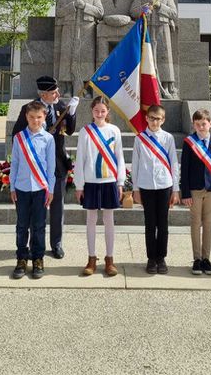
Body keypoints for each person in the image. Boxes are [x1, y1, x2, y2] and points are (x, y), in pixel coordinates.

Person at [12, 75, 78, 259]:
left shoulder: (61, 106)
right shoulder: (29, 109)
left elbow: (70, 130)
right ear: (43, 94)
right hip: (35, 169)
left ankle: (56, 243)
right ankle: (35, 245)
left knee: (58, 206)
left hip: (57, 165)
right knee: (35, 211)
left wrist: (72, 113)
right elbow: (16, 135)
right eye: (53, 92)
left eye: (56, 91)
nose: (57, 94)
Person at [74, 96, 126, 277]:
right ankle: (91, 258)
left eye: (103, 111)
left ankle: (109, 259)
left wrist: (120, 182)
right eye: (96, 111)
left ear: (108, 112)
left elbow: (120, 157)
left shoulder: (114, 130)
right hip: (91, 182)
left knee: (109, 221)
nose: (100, 114)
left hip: (109, 181)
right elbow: (80, 158)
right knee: (90, 221)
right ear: (91, 111)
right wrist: (79, 184)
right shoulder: (85, 131)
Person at [10, 101, 56, 280]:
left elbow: (51, 167)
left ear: (44, 117)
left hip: (40, 189)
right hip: (21, 188)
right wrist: (12, 186)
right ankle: (22, 258)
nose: (35, 120)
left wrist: (50, 190)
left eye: (39, 117)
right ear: (26, 117)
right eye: (31, 117)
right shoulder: (19, 138)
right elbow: (14, 164)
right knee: (22, 225)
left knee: (38, 226)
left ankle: (38, 258)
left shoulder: (48, 139)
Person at [131, 104, 180, 274]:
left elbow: (174, 163)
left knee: (163, 224)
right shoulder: (140, 138)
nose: (154, 121)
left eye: (158, 118)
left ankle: (162, 257)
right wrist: (135, 189)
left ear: (163, 120)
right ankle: (151, 258)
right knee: (150, 224)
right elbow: (135, 164)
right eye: (151, 118)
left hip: (164, 185)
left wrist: (175, 189)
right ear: (146, 118)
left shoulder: (168, 138)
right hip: (145, 186)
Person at [180, 108, 211, 276]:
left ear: (210, 124)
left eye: (204, 124)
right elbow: (185, 168)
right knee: (195, 223)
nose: (201, 127)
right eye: (197, 124)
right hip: (195, 189)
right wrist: (185, 193)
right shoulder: (189, 142)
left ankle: (206, 258)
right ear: (194, 125)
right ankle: (197, 258)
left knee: (208, 224)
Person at [130, 0, 178, 98]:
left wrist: (161, 6)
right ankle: (147, 86)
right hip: (147, 28)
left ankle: (166, 86)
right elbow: (133, 11)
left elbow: (174, 13)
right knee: (147, 56)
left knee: (164, 56)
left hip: (163, 28)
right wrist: (143, 8)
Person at [55, 0, 103, 96]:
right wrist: (72, 6)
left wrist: (85, 6)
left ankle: (85, 88)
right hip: (69, 28)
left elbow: (100, 12)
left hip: (87, 29)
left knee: (87, 58)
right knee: (67, 57)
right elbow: (59, 12)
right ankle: (68, 88)